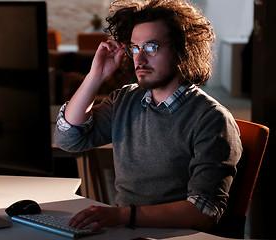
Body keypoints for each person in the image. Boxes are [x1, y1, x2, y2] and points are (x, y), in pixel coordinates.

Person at [53, 0, 242, 232]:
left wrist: (122, 215)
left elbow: (202, 212)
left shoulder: (212, 120)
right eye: (134, 48)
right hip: (124, 231)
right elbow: (68, 140)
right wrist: (96, 76)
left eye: (151, 48)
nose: (139, 60)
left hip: (175, 236)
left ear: (182, 49)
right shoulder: (125, 100)